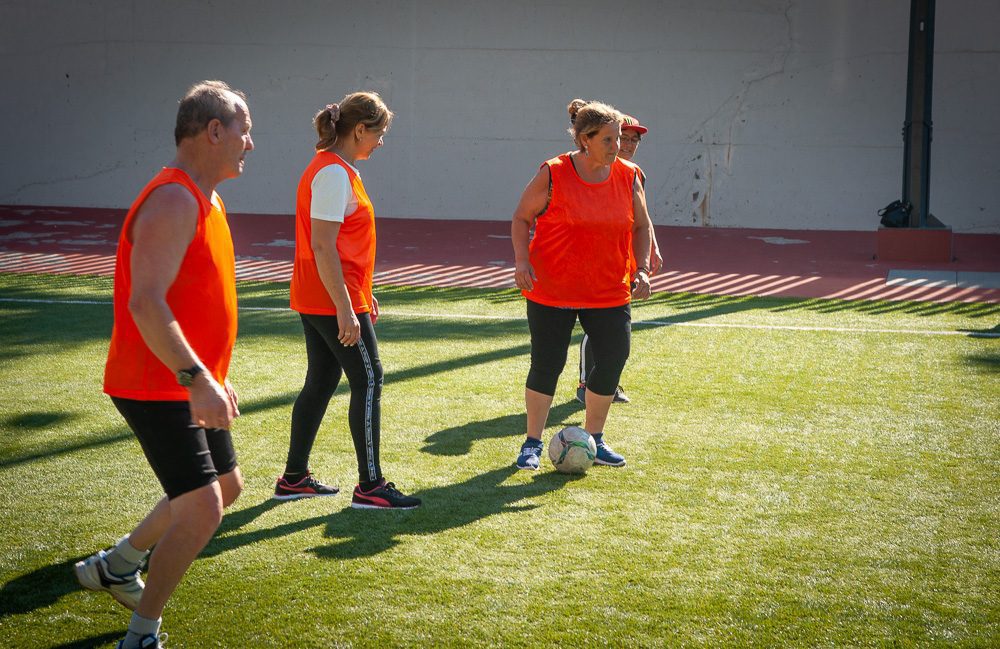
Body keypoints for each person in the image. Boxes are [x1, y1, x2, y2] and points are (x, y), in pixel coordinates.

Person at [75, 80, 253, 649]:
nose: (251, 143)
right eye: (244, 130)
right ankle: (142, 633)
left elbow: (192, 299)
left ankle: (119, 565)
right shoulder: (174, 198)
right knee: (202, 510)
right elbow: (145, 302)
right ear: (214, 131)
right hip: (156, 380)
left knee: (225, 487)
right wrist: (197, 379)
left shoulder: (207, 198)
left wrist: (213, 375)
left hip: (186, 378)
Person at [275, 92, 420, 509]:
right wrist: (345, 306)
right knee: (369, 379)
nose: (381, 141)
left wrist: (361, 290)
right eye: (380, 133)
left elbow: (343, 244)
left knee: (320, 383)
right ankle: (370, 486)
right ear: (359, 129)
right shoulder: (334, 172)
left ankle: (294, 478)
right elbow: (323, 247)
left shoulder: (336, 169)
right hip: (328, 297)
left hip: (325, 293)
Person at [512, 99, 653, 470]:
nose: (616, 146)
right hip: (552, 289)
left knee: (612, 359)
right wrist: (522, 261)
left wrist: (642, 270)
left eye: (619, 138)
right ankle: (532, 443)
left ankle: (596, 438)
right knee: (547, 364)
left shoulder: (629, 175)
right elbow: (521, 217)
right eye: (608, 139)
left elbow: (641, 225)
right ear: (585, 139)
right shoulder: (554, 172)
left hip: (608, 290)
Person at [575, 110, 662, 405]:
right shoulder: (591, 168)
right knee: (599, 322)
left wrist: (652, 248)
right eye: (623, 137)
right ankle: (588, 383)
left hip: (621, 257)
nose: (628, 144)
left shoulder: (635, 173)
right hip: (596, 257)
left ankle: (606, 383)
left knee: (614, 324)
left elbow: (642, 219)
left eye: (634, 140)